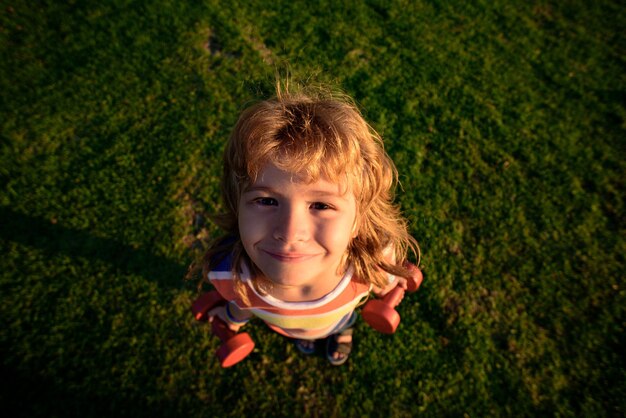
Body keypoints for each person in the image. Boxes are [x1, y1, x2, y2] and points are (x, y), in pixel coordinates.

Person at [195, 83, 420, 366]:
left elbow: (388, 281)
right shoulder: (230, 277)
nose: (290, 233)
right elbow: (242, 305)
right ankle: (305, 335)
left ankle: (341, 332)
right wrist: (230, 320)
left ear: (358, 222)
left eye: (321, 205)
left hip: (337, 316)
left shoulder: (369, 265)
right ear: (236, 204)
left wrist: (391, 284)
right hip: (281, 324)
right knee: (300, 331)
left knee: (340, 322)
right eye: (266, 201)